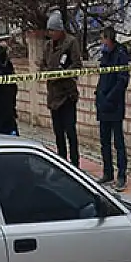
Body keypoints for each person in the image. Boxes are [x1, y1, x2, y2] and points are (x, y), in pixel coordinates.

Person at [42, 11, 83, 167]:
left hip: (67, 94)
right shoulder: (47, 46)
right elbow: (43, 65)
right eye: (49, 31)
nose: (50, 33)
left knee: (70, 131)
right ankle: (62, 162)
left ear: (60, 30)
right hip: (53, 95)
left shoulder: (71, 42)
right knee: (58, 132)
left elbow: (77, 65)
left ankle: (74, 164)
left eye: (53, 30)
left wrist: (61, 74)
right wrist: (47, 73)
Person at [95, 26, 130, 191]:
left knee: (118, 143)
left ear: (109, 38)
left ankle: (121, 175)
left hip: (114, 106)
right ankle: (107, 172)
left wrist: (110, 98)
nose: (101, 42)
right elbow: (103, 78)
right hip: (103, 106)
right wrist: (99, 96)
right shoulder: (105, 55)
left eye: (102, 39)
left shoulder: (121, 55)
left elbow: (122, 81)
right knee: (104, 142)